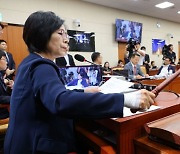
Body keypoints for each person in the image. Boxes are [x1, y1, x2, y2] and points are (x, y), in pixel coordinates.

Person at [4, 11, 155, 154]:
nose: (66, 39)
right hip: (35, 147)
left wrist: (83, 92)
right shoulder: (41, 66)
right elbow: (60, 101)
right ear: (42, 34)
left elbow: (46, 97)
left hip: (23, 142)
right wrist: (126, 99)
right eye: (60, 33)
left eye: (66, 33)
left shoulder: (30, 62)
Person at [0, 50, 14, 119]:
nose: (7, 63)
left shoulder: (1, 74)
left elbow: (3, 92)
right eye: (4, 59)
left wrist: (10, 87)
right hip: (3, 112)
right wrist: (16, 98)